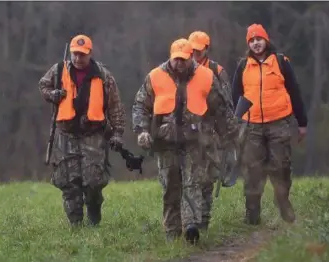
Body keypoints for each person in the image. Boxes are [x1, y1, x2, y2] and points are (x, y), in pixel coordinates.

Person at [132, 38, 240, 244]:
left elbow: (221, 110)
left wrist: (230, 136)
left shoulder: (207, 76)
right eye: (176, 59)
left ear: (191, 57)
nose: (179, 63)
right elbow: (140, 106)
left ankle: (191, 227)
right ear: (170, 58)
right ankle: (172, 234)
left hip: (195, 142)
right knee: (171, 188)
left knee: (193, 184)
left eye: (183, 59)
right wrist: (141, 131)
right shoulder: (155, 76)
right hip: (165, 142)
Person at [38, 34, 126, 227]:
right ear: (71, 53)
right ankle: (75, 225)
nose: (78, 58)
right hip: (65, 133)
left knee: (93, 181)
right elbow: (43, 86)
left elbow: (115, 106)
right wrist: (52, 95)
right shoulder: (58, 69)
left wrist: (118, 133)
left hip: (93, 134)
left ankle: (94, 212)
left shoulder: (103, 76)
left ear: (90, 54)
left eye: (82, 55)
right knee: (69, 182)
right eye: (75, 54)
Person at [231, 24, 308, 225]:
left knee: (281, 166)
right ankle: (252, 216)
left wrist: (302, 122)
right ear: (248, 44)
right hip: (252, 126)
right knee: (252, 172)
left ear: (266, 40)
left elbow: (295, 91)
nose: (256, 43)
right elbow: (235, 96)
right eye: (252, 40)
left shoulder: (281, 62)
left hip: (279, 123)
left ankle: (283, 201)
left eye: (259, 39)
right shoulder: (242, 66)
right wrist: (236, 123)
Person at [188, 30, 233, 231]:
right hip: (188, 129)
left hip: (211, 130)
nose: (194, 54)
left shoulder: (217, 71)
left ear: (207, 49)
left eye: (198, 50)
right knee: (190, 177)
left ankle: (204, 220)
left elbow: (226, 104)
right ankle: (191, 221)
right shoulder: (183, 67)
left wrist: (228, 133)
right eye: (192, 50)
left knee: (208, 177)